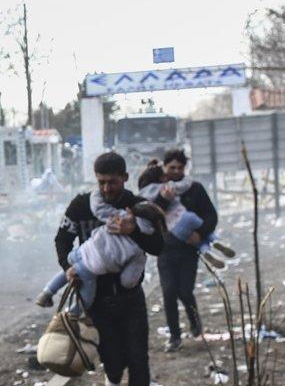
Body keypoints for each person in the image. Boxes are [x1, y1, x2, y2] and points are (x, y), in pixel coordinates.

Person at [53, 151, 164, 386]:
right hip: (96, 299)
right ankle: (112, 379)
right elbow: (62, 239)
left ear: (125, 179)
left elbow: (158, 246)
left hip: (130, 296)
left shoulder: (138, 207)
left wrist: (135, 231)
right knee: (113, 356)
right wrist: (69, 266)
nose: (106, 188)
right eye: (101, 182)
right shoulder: (80, 206)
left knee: (138, 357)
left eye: (112, 182)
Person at [36, 198, 165, 310]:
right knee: (86, 301)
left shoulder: (118, 216)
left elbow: (98, 208)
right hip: (91, 268)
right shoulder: (140, 250)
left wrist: (95, 194)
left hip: (79, 252)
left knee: (70, 270)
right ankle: (70, 315)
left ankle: (47, 291)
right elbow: (127, 281)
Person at [154, 148, 218, 353]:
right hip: (165, 248)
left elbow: (210, 215)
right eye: (171, 167)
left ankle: (195, 322)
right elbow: (150, 214)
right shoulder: (156, 189)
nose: (175, 171)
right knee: (168, 291)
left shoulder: (195, 189)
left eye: (179, 168)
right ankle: (174, 336)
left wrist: (200, 233)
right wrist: (163, 199)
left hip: (188, 250)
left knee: (185, 290)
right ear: (164, 167)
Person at [137, 159, 235, 269]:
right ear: (161, 177)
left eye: (180, 167)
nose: (175, 172)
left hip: (175, 228)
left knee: (197, 243)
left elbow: (145, 222)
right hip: (185, 217)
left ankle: (205, 251)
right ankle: (215, 241)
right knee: (205, 234)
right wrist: (188, 179)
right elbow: (184, 185)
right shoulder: (167, 186)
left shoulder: (143, 197)